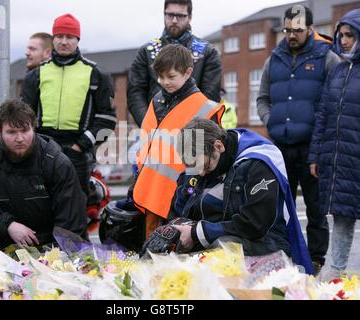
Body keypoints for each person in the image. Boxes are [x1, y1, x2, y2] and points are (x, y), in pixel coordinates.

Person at [256, 5, 340, 274]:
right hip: (281, 146)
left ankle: (315, 260)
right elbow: (262, 99)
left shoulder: (328, 57)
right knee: (280, 207)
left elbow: (337, 101)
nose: (291, 35)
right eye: (287, 30)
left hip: (313, 148)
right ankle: (285, 256)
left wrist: (322, 134)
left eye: (298, 31)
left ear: (311, 29)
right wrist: (272, 121)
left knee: (315, 209)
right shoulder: (274, 58)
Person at [171, 118, 314, 274]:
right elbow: (182, 205)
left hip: (266, 243)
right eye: (193, 168)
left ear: (218, 146)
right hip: (220, 233)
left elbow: (254, 223)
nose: (201, 173)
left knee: (224, 246)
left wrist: (197, 232)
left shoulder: (257, 162)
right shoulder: (202, 159)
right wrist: (175, 228)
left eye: (205, 166)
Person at [0, 100, 88, 252]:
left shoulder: (56, 162)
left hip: (44, 238)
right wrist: (8, 225)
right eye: (11, 132)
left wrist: (55, 258)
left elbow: (71, 220)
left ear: (33, 128)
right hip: (0, 232)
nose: (19, 138)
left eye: (25, 130)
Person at [131, 44, 225, 240]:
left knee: (177, 255)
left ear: (188, 72)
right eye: (160, 76)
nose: (164, 82)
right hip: (151, 192)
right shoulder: (157, 101)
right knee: (153, 255)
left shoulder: (204, 108)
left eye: (171, 76)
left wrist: (190, 192)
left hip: (182, 198)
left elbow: (207, 162)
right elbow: (147, 144)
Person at [21, 14, 117, 197]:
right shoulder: (35, 75)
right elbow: (24, 116)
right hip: (43, 149)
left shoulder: (97, 74)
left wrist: (80, 146)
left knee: (75, 209)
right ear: (53, 39)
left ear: (77, 40)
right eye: (59, 36)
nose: (64, 41)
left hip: (78, 152)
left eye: (70, 37)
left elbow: (107, 118)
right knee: (38, 205)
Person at [308, 9, 360, 278]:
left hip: (355, 156)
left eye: (350, 35)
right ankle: (336, 272)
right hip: (338, 158)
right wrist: (316, 155)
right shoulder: (338, 70)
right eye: (341, 35)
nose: (345, 40)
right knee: (341, 215)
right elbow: (323, 114)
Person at [127, 0, 222, 127]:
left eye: (181, 16)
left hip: (192, 131)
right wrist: (150, 125)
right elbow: (135, 92)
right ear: (164, 15)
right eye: (170, 15)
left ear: (190, 17)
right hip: (154, 128)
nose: (175, 20)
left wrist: (188, 129)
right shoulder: (146, 51)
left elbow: (210, 97)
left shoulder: (208, 52)